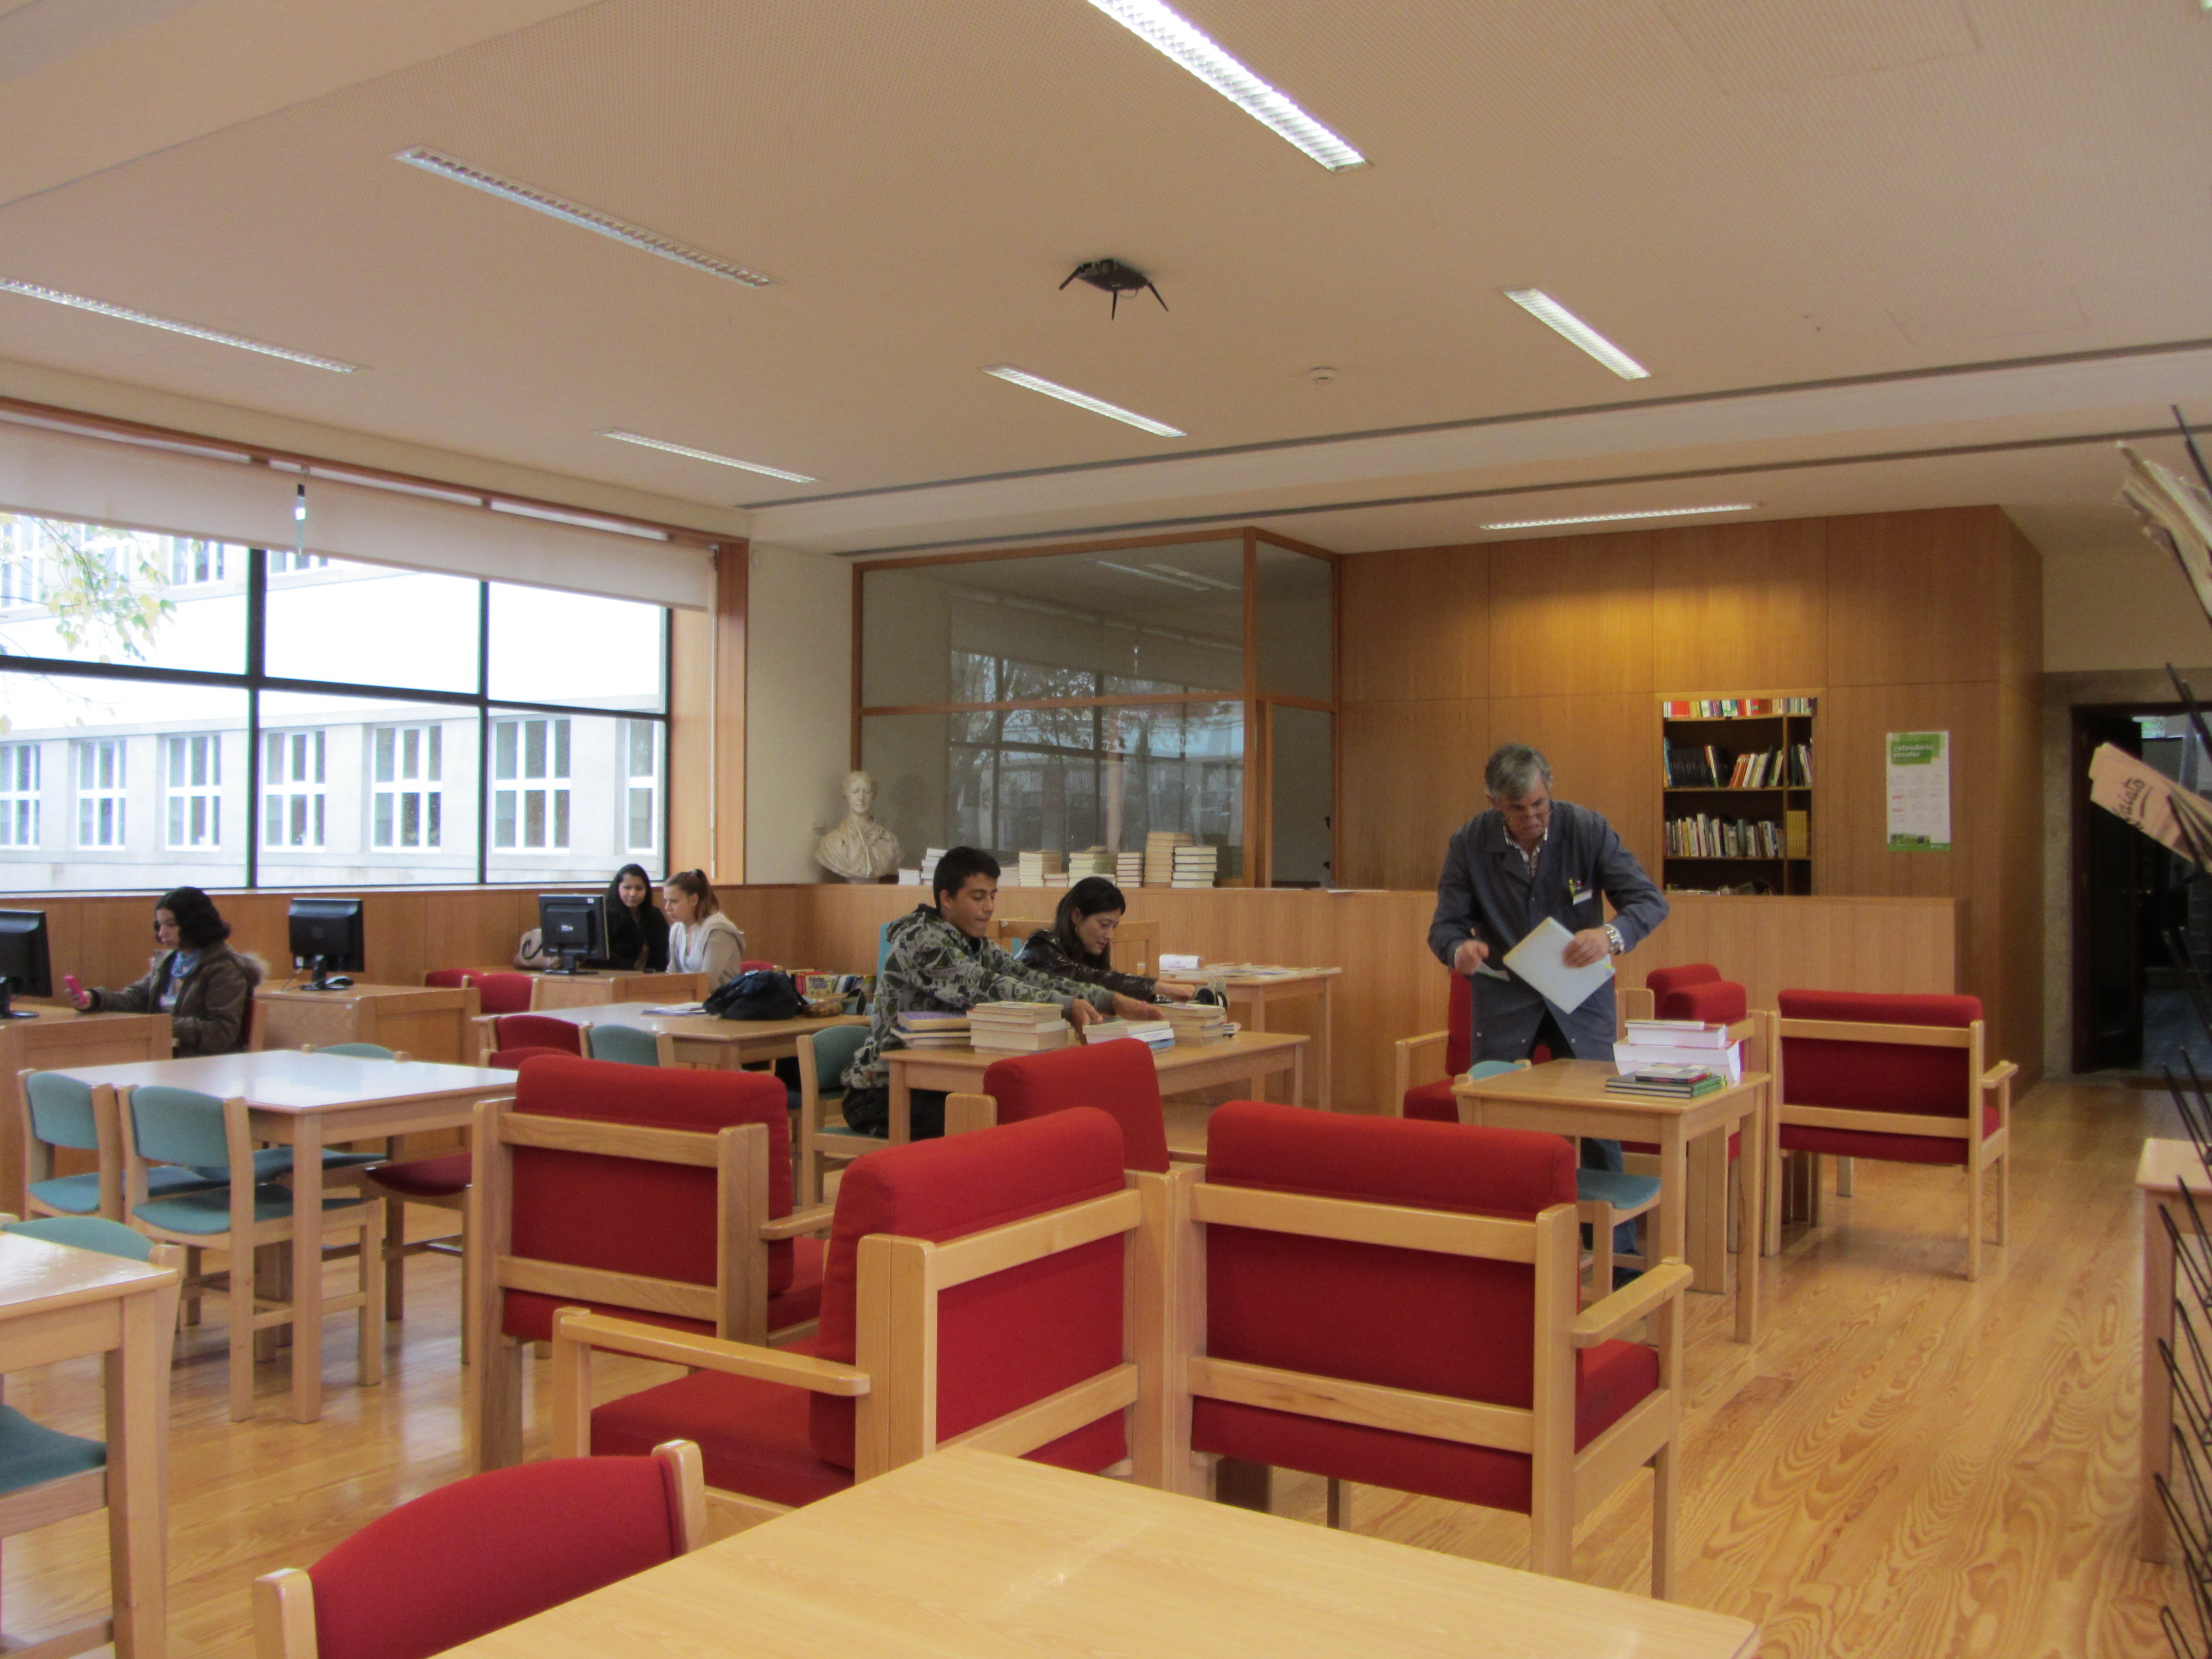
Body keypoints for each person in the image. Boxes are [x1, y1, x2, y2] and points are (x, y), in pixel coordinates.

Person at [1428, 743, 1669, 1267]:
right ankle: (1500, 1250)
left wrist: (1610, 936)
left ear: (1549, 791)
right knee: (1497, 1126)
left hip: (1580, 998)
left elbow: (1649, 902)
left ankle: (1614, 1258)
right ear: (1495, 804)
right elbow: (1444, 927)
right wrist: (1458, 950)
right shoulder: (1469, 843)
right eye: (1518, 810)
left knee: (1599, 1123)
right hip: (1505, 999)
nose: (1532, 817)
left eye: (1539, 804)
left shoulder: (1586, 829)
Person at [841, 847, 1155, 1139]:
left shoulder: (975, 944)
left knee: (1040, 1106)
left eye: (992, 896)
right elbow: (985, 987)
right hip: (884, 1094)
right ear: (947, 899)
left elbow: (1030, 978)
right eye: (978, 897)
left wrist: (1109, 999)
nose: (989, 907)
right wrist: (1064, 1005)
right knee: (1013, 1120)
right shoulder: (921, 941)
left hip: (943, 1083)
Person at [70, 886, 263, 1057]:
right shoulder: (170, 961)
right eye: (160, 925)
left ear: (195, 924)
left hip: (204, 1065)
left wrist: (161, 1025)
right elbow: (137, 998)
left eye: (171, 925)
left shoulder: (225, 969)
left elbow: (221, 1034)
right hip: (165, 1056)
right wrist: (95, 999)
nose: (162, 934)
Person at [1016, 877, 1192, 1003]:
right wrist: (1156, 987)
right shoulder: (1040, 947)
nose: (1110, 935)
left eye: (1114, 927)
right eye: (1104, 924)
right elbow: (1084, 979)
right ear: (1077, 916)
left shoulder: (1088, 954)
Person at [813, 769, 902, 883]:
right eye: (855, 792)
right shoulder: (831, 842)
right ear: (846, 794)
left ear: (873, 795)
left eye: (867, 792)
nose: (861, 797)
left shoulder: (889, 841)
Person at [663, 869, 746, 990]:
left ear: (694, 900)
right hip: (689, 998)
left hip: (721, 998)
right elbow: (673, 973)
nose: (667, 908)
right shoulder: (677, 930)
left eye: (674, 901)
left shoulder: (717, 931)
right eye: (666, 901)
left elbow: (707, 983)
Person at [598, 864, 669, 972]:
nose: (633, 894)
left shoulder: (655, 915)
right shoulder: (605, 916)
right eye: (627, 888)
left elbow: (663, 952)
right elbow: (600, 956)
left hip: (652, 976)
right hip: (615, 975)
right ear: (618, 888)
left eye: (639, 888)